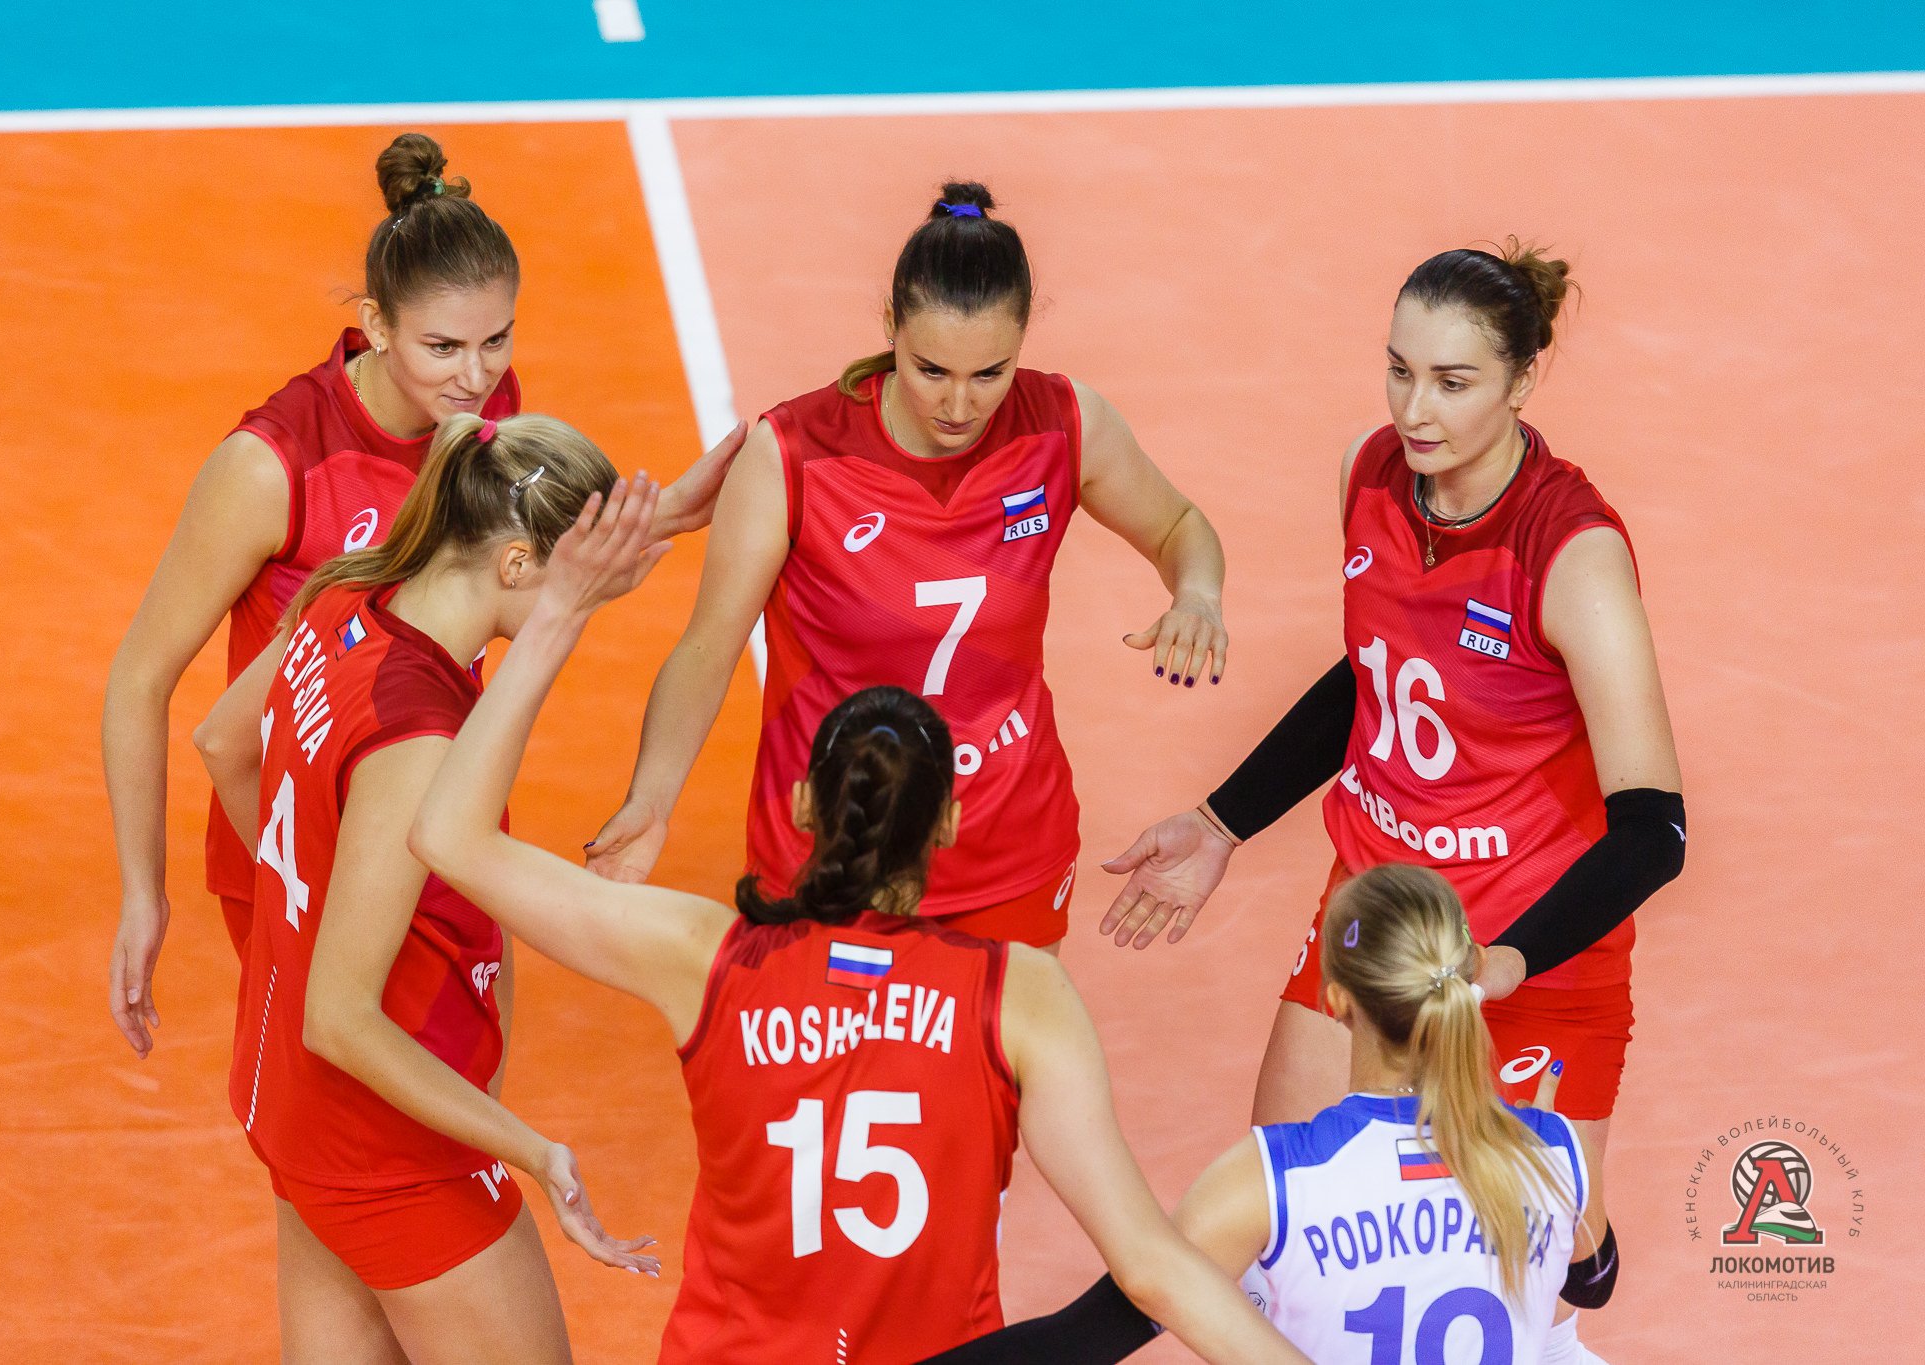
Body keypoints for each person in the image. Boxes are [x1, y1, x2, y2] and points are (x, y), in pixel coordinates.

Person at [408, 551, 1302, 1363]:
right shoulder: (1019, 994)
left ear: (804, 805)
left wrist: (557, 613)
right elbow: (1149, 1270)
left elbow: (448, 834)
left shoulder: (705, 956)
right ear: (947, 822)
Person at [1099, 242, 1679, 1361]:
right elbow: (1375, 669)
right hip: (1374, 919)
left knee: (1541, 1285)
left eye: (1453, 383)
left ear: (1522, 381)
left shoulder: (1571, 551)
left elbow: (1655, 829)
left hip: (1528, 952)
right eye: (1398, 371)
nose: (1415, 411)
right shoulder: (1370, 475)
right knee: (1285, 1252)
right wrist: (1221, 823)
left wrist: (1508, 960)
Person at [105, 130, 737, 1057]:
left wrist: (654, 517)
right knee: (352, 1111)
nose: (476, 375)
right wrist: (141, 890)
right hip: (308, 848)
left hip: (448, 812)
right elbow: (139, 678)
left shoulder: (483, 418)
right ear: (376, 322)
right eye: (442, 346)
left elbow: (503, 579)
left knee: (471, 1073)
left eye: (496, 340)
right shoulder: (274, 464)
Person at [586, 181, 1229, 950]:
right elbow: (707, 645)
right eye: (931, 370)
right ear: (890, 325)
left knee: (1007, 1035)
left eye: (989, 374)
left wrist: (1198, 594)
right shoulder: (795, 455)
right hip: (831, 847)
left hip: (1007, 842)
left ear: (1024, 339)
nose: (959, 405)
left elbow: (1180, 526)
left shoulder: (1063, 426)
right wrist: (652, 800)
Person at [194, 416, 662, 1364]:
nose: (576, 621)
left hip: (295, 1104)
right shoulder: (419, 737)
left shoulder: (347, 593)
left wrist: (317, 905)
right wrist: (532, 1149)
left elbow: (223, 743)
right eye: (574, 596)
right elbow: (341, 1017)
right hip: (390, 1145)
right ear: (518, 564)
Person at [923, 864, 1616, 1365]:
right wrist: (1535, 1146)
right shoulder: (1552, 1149)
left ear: (1336, 1001)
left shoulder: (1271, 1178)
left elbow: (1088, 1335)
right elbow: (1593, 1281)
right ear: (1468, 975)